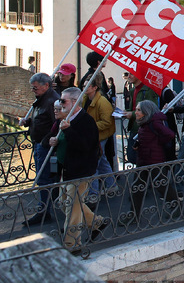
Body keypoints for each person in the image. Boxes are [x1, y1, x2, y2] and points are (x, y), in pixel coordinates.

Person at [45, 88, 108, 252]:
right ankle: (97, 223)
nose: (60, 103)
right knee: (64, 203)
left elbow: (84, 146)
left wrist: (68, 130)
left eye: (63, 101)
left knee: (72, 208)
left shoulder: (85, 121)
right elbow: (62, 140)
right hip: (67, 170)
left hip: (80, 171)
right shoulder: (66, 119)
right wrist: (54, 140)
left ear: (74, 102)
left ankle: (72, 245)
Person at [118, 100, 181, 227]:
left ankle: (177, 209)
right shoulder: (145, 123)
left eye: (139, 110)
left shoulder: (154, 123)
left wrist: (157, 144)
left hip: (154, 161)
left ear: (146, 112)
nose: (136, 112)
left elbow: (169, 135)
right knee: (137, 188)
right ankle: (134, 215)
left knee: (162, 186)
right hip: (144, 160)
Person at [21, 72, 58, 225]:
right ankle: (47, 207)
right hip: (40, 143)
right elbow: (42, 120)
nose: (33, 90)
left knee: (44, 179)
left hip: (44, 146)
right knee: (46, 178)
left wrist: (44, 141)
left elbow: (55, 125)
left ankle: (43, 211)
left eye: (35, 88)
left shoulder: (51, 101)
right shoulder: (43, 99)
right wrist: (29, 122)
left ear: (46, 86)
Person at [82, 78, 116, 201]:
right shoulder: (85, 99)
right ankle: (112, 185)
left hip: (100, 136)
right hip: (92, 136)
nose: (83, 88)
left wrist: (89, 127)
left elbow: (107, 122)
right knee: (102, 162)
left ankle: (93, 194)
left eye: (86, 86)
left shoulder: (102, 102)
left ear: (94, 87)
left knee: (93, 164)